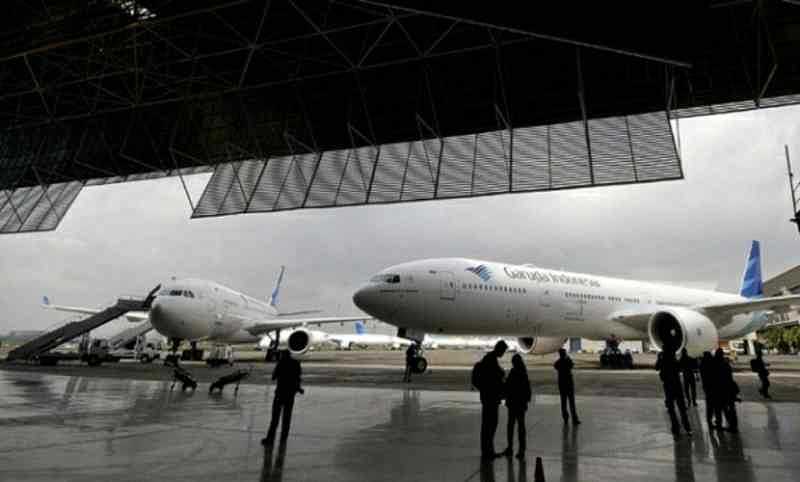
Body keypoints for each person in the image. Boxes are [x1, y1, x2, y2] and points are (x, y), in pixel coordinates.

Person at [262, 350, 304, 445]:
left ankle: (270, 439)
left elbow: (273, 377)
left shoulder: (281, 363)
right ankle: (283, 439)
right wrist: (298, 388)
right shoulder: (296, 363)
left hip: (280, 394)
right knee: (287, 417)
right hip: (290, 394)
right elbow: (298, 378)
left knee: (275, 418)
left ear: (282, 356)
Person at [477, 340, 508, 459]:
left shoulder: (489, 358)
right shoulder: (490, 360)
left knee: (488, 425)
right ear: (499, 349)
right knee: (490, 425)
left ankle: (488, 451)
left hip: (488, 397)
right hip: (491, 398)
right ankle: (488, 452)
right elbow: (493, 378)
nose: (503, 353)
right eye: (503, 351)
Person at [501, 354, 531, 459]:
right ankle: (521, 450)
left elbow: (508, 387)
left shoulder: (513, 372)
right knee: (521, 427)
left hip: (513, 404)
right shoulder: (523, 373)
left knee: (511, 427)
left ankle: (510, 448)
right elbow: (527, 390)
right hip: (521, 404)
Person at [658, 348, 692, 436]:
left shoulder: (663, 361)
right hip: (677, 388)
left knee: (671, 410)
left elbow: (657, 368)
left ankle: (676, 428)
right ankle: (687, 428)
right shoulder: (674, 361)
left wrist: (659, 358)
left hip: (669, 388)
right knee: (682, 409)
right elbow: (680, 366)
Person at [715, 348, 739, 433]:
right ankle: (733, 425)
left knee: (721, 409)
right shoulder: (726, 364)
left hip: (721, 390)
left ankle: (722, 424)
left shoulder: (716, 365)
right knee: (730, 409)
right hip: (728, 389)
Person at [554, 348, 580, 424]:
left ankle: (565, 418)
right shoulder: (567, 361)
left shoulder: (558, 362)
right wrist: (568, 357)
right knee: (572, 403)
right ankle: (574, 419)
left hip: (562, 385)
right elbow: (572, 365)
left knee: (563, 403)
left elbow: (555, 366)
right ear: (565, 354)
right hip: (569, 385)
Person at [699, 351, 721, 429]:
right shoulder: (712, 364)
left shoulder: (702, 365)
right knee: (717, 406)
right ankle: (718, 422)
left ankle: (709, 421)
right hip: (714, 387)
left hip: (707, 388)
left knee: (709, 406)